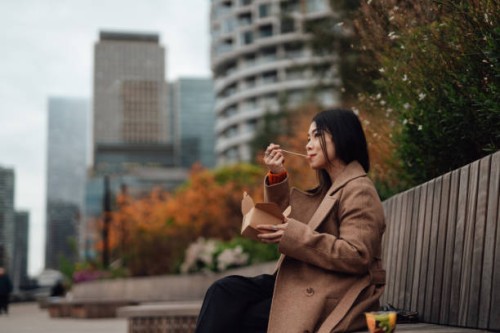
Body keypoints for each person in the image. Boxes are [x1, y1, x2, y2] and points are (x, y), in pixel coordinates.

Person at [195, 108, 386, 333]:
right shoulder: (329, 190)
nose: (308, 144)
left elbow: (357, 255)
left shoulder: (358, 189)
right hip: (307, 281)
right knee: (224, 291)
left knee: (241, 316)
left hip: (336, 292)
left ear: (343, 136)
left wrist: (293, 235)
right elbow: (287, 216)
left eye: (317, 136)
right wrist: (277, 174)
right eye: (308, 138)